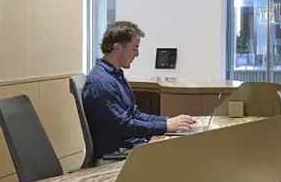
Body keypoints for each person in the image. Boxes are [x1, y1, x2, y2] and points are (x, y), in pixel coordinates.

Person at [82, 21, 196, 159]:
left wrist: (167, 121)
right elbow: (124, 126)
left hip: (130, 145)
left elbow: (135, 114)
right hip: (119, 152)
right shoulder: (101, 82)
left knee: (184, 146)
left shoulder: (115, 76)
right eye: (134, 48)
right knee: (183, 154)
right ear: (118, 47)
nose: (137, 54)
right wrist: (166, 126)